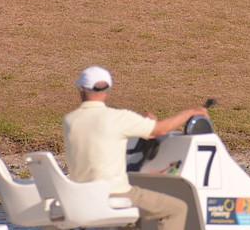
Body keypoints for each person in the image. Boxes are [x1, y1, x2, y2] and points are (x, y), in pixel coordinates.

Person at [64, 66, 209, 230]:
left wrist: (141, 123)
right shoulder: (116, 118)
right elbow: (159, 130)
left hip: (83, 196)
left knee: (136, 219)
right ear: (107, 89)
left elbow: (100, 131)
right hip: (115, 193)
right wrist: (189, 112)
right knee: (177, 209)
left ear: (81, 89)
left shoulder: (70, 120)